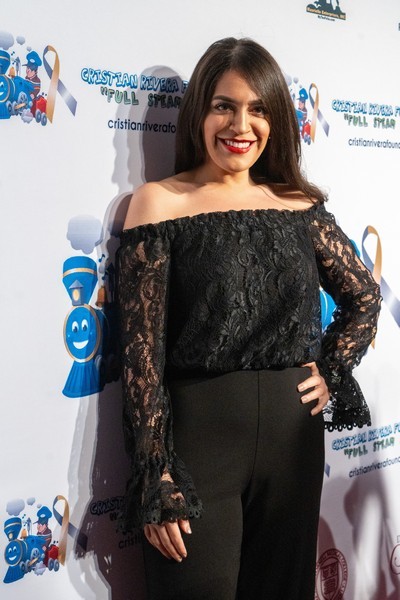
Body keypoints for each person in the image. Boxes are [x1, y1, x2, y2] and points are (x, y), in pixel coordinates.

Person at [117, 37, 381, 600]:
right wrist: (156, 469)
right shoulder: (159, 203)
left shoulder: (298, 204)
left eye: (258, 109)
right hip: (199, 441)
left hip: (293, 440)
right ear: (200, 113)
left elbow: (363, 297)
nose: (241, 126)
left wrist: (331, 370)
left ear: (275, 120)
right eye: (224, 106)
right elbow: (143, 357)